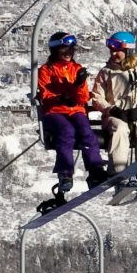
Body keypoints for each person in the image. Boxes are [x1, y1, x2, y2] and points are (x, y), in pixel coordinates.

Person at [35, 31, 107, 209]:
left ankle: (95, 171)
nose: (67, 52)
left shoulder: (77, 69)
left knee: (86, 132)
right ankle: (65, 172)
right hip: (54, 112)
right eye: (63, 48)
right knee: (66, 131)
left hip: (75, 110)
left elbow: (82, 98)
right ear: (55, 50)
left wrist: (80, 83)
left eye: (70, 48)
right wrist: (60, 98)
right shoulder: (45, 71)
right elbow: (46, 94)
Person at [90, 30, 137, 194]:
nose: (114, 54)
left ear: (128, 51)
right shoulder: (105, 72)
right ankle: (118, 174)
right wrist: (111, 109)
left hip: (133, 113)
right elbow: (97, 98)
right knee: (120, 129)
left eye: (117, 50)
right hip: (114, 116)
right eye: (112, 50)